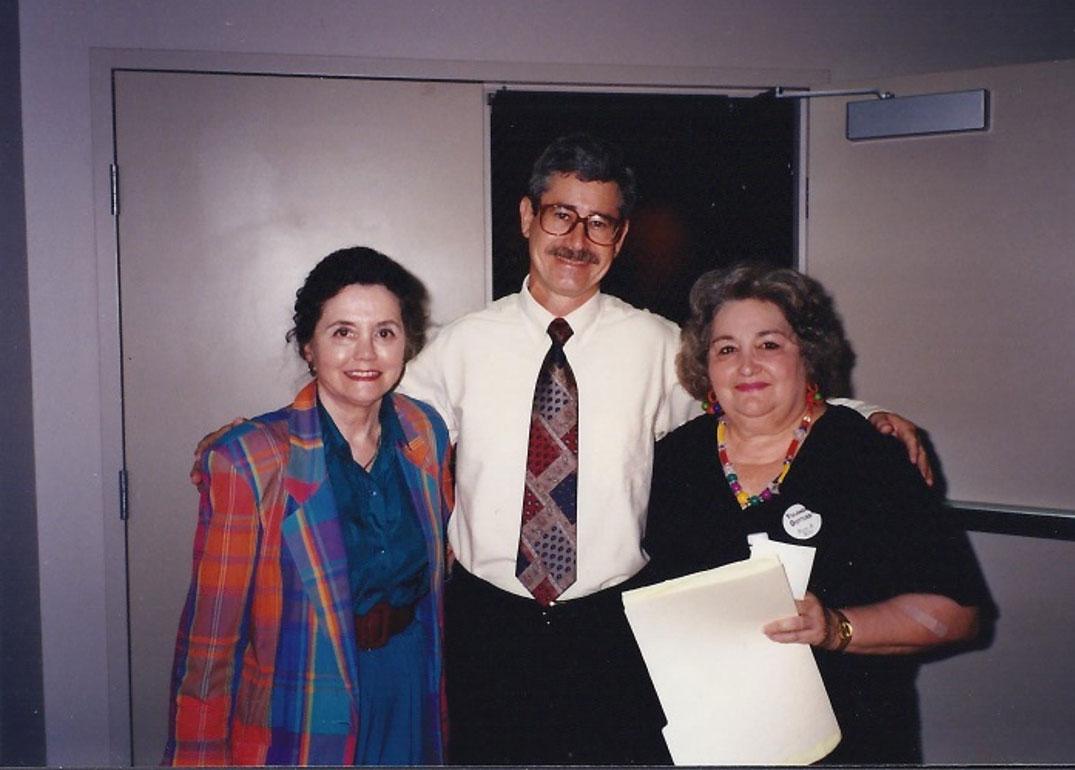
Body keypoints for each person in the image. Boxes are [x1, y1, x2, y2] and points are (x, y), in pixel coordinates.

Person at [190, 134, 930, 765]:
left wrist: (863, 414)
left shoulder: (661, 346)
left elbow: (750, 396)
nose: (577, 239)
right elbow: (355, 390)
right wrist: (250, 437)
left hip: (611, 630)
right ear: (527, 216)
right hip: (485, 625)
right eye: (560, 215)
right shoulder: (456, 347)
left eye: (600, 223)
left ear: (621, 236)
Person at [642, 264, 993, 764]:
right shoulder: (675, 459)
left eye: (768, 344)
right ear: (706, 366)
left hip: (849, 738)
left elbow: (959, 615)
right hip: (708, 739)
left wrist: (836, 627)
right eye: (726, 348)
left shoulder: (867, 455)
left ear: (805, 354)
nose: (746, 366)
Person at [164, 247, 454, 766]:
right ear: (308, 347)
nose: (366, 354)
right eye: (343, 332)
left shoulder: (425, 432)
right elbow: (210, 645)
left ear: (405, 344)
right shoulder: (250, 459)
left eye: (384, 332)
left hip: (409, 685)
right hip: (304, 702)